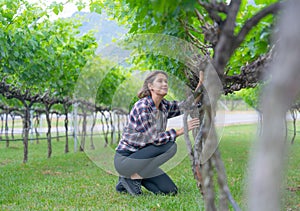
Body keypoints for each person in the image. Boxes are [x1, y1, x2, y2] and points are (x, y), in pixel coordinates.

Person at [114, 70, 201, 196]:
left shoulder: (164, 106)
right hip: (126, 159)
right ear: (150, 86)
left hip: (143, 158)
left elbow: (186, 105)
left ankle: (124, 182)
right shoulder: (143, 106)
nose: (165, 84)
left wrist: (201, 84)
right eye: (160, 81)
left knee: (170, 191)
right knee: (170, 146)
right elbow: (154, 138)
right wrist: (181, 131)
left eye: (166, 81)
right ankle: (133, 176)